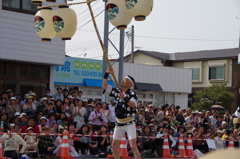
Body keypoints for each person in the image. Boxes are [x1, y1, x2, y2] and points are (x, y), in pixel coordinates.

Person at [102, 68, 141, 159]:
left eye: (125, 80)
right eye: (123, 79)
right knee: (114, 145)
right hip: (118, 122)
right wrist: (106, 74)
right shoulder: (117, 91)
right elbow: (104, 86)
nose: (122, 80)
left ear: (130, 84)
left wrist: (124, 98)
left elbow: (133, 105)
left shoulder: (132, 93)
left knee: (133, 146)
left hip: (129, 122)